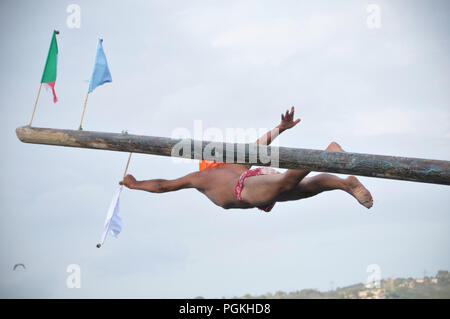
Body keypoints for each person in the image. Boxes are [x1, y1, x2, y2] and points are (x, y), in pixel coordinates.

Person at [120, 107, 373, 212]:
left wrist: (136, 184)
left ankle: (327, 152)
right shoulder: (235, 164)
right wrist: (280, 128)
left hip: (248, 189)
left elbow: (163, 185)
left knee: (287, 182)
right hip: (255, 186)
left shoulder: (201, 177)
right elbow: (259, 145)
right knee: (307, 189)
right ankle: (345, 183)